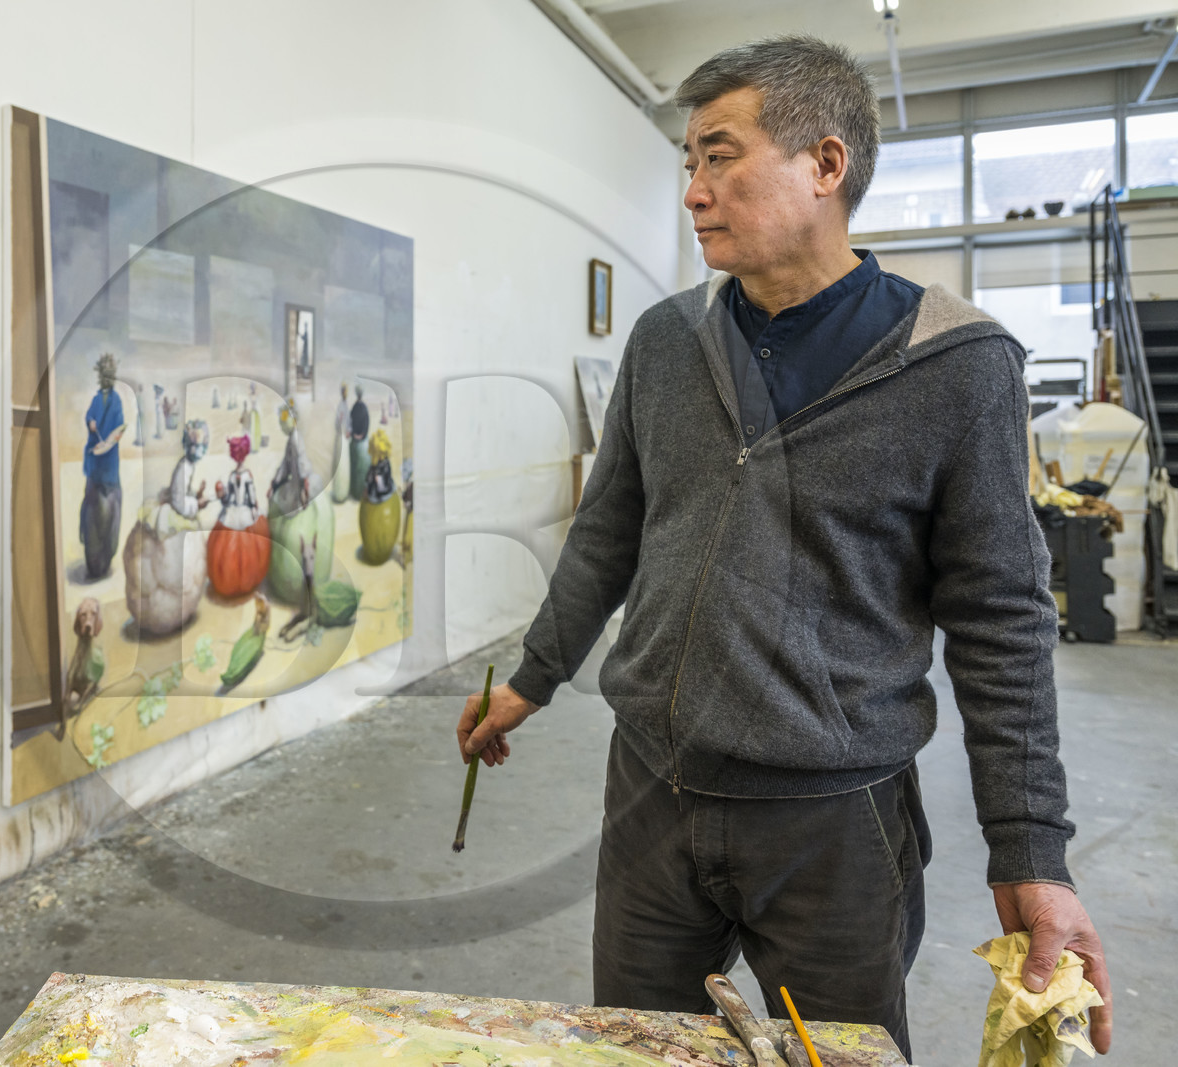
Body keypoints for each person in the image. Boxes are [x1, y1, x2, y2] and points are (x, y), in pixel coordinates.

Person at [456, 35, 1111, 1061]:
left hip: (833, 823)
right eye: (688, 163)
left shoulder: (959, 366)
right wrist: (532, 678)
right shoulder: (666, 342)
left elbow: (1000, 620)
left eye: (720, 156)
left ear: (824, 163)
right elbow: (607, 531)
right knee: (637, 1048)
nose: (692, 191)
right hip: (650, 799)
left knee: (837, 1053)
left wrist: (1031, 848)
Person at [80, 353, 125, 579]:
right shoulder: (97, 399)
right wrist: (90, 422)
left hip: (110, 465)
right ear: (100, 376)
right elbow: (89, 415)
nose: (107, 378)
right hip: (95, 463)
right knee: (92, 511)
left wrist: (109, 442)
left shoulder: (116, 400)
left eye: (110, 374)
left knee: (111, 513)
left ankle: (105, 559)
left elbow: (119, 428)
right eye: (104, 374)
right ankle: (93, 561)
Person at [347, 383, 371, 503]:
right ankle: (356, 493)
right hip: (358, 442)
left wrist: (358, 435)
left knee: (361, 469)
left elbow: (365, 423)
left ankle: (359, 493)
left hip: (359, 443)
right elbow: (351, 423)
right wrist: (358, 435)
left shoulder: (357, 407)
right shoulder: (357, 407)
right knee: (356, 468)